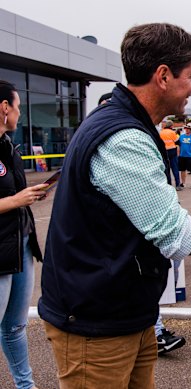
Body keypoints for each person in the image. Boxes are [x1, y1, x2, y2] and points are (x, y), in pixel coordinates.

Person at [39, 23, 191, 389]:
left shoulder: (127, 124)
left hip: (124, 314)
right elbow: (175, 235)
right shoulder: (124, 138)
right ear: (162, 76)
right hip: (96, 324)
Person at [0, 81, 47, 389]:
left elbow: (17, 193)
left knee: (15, 326)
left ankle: (25, 386)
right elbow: (13, 198)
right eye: (17, 106)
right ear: (5, 108)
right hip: (0, 254)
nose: (19, 113)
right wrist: (17, 200)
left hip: (21, 246)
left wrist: (31, 195)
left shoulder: (9, 146)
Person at [160, 119, 182, 189]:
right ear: (171, 126)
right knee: (175, 168)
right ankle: (177, 184)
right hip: (172, 151)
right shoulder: (172, 132)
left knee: (167, 169)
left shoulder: (161, 132)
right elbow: (177, 142)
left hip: (164, 152)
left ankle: (168, 184)